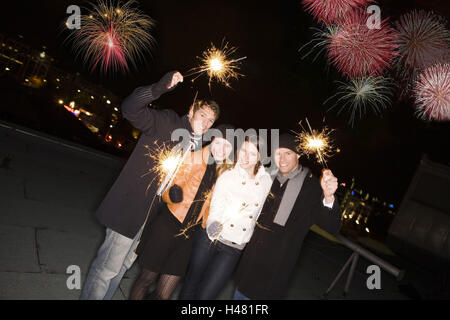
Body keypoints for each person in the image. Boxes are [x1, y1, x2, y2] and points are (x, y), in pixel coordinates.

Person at [80, 71, 220, 300]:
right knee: (107, 268)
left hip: (151, 216)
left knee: (122, 269)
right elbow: (130, 109)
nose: (204, 123)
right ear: (191, 111)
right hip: (131, 207)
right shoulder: (167, 122)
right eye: (202, 115)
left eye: (210, 121)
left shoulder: (198, 149)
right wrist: (159, 87)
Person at [129, 124, 235, 300]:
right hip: (167, 226)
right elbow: (164, 190)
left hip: (188, 236)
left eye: (227, 146)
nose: (222, 149)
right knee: (146, 279)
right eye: (220, 143)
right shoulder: (191, 158)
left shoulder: (224, 173)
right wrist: (171, 194)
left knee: (164, 294)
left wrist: (212, 223)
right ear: (213, 139)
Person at [233, 133, 342, 300]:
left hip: (275, 270)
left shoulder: (311, 186)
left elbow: (331, 227)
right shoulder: (267, 177)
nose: (282, 159)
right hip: (250, 262)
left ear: (298, 154)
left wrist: (328, 197)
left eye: (288, 153)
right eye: (278, 153)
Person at [178, 135, 272, 300]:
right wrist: (213, 223)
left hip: (233, 248)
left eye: (252, 153)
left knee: (206, 296)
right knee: (190, 285)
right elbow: (216, 207)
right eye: (243, 150)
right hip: (210, 239)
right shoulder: (227, 175)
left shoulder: (266, 182)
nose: (245, 156)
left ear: (260, 157)